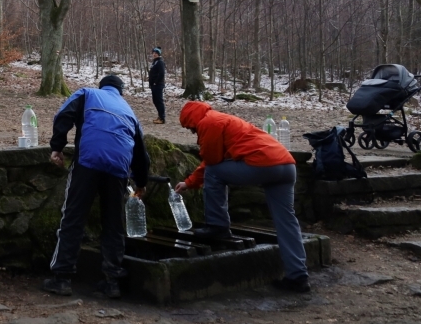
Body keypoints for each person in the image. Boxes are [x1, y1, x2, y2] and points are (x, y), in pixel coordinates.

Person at [173, 101, 310, 293]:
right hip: (286, 165)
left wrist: (191, 181)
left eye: (190, 128)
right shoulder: (225, 119)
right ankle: (298, 277)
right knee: (287, 221)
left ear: (191, 120)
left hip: (263, 165)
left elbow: (211, 162)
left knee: (213, 172)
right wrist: (190, 182)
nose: (192, 132)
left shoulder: (209, 122)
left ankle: (218, 226)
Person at [42, 75, 150, 299]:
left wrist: (57, 147)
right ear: (121, 92)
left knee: (73, 216)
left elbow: (64, 115)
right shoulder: (128, 110)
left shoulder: (88, 93)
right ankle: (112, 282)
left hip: (88, 160)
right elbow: (141, 152)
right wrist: (141, 183)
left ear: (102, 86)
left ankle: (61, 279)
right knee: (114, 223)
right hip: (119, 167)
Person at [149, 47, 166, 124]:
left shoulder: (160, 62)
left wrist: (156, 82)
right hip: (153, 85)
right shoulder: (154, 62)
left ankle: (162, 118)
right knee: (155, 101)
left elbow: (161, 73)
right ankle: (159, 116)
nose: (154, 54)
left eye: (156, 53)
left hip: (158, 85)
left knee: (159, 101)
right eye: (153, 53)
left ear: (159, 54)